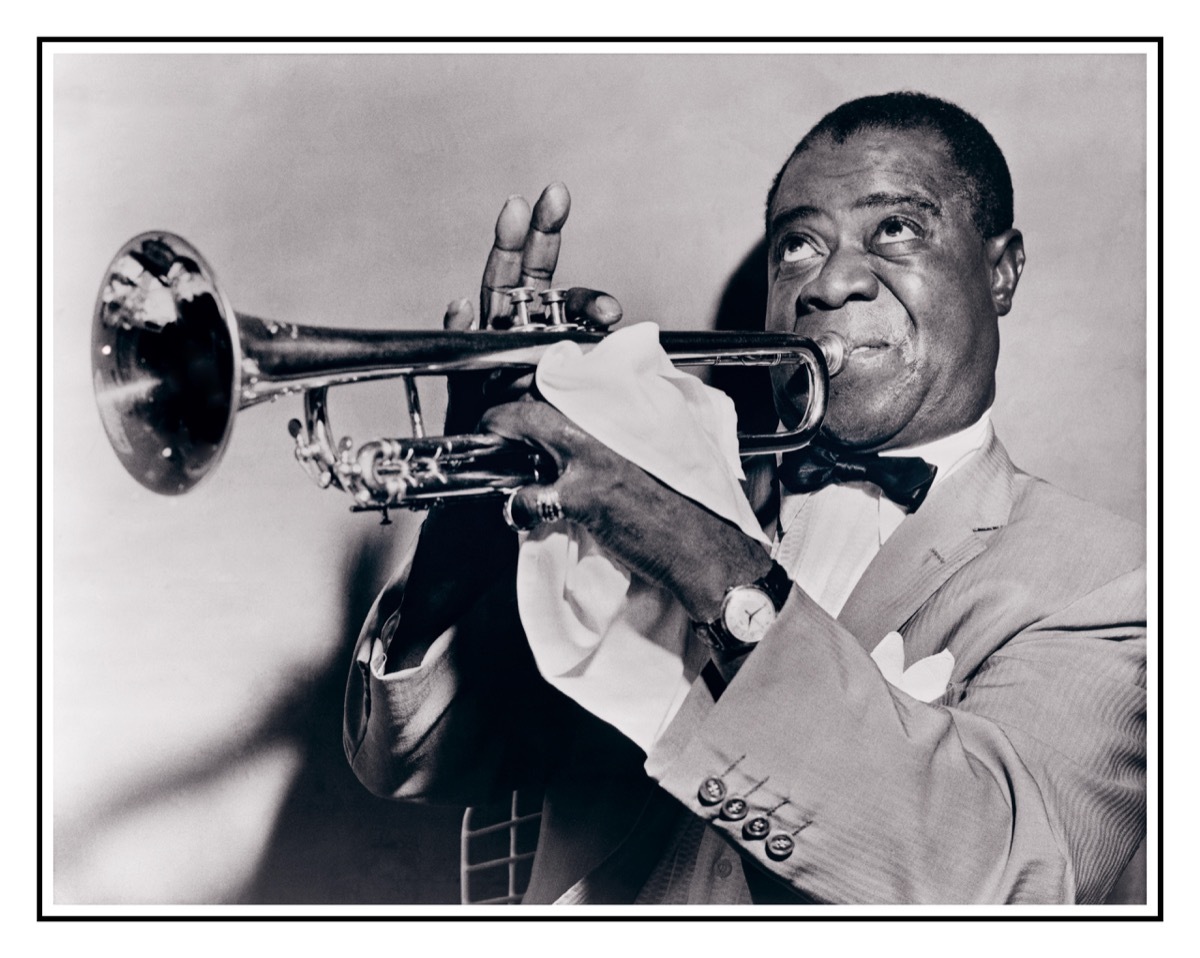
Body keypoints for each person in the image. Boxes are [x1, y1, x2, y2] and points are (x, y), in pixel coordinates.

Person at [342, 92, 1146, 905]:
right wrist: (465, 532)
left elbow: (1015, 882)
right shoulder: (672, 492)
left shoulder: (1109, 579)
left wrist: (707, 561)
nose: (830, 281)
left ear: (1001, 270)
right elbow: (413, 760)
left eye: (895, 229)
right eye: (797, 245)